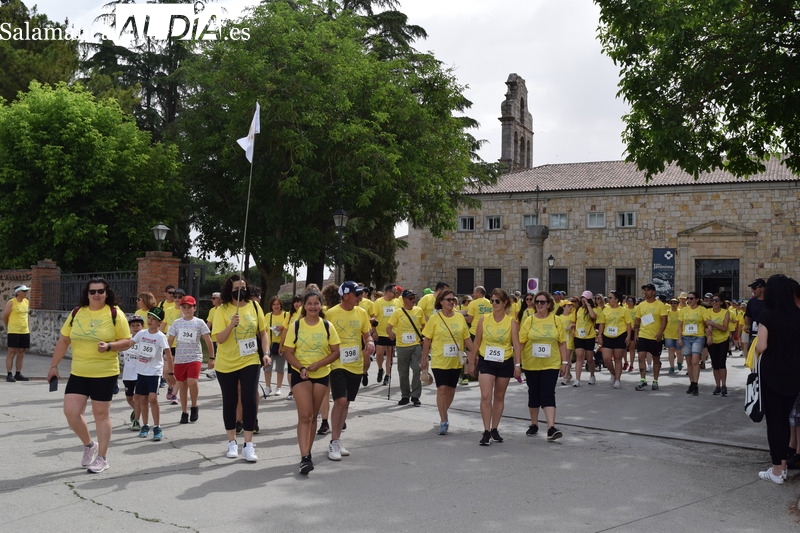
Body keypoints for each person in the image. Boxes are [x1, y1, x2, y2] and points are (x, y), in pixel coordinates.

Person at [47, 278, 132, 474]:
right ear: (87, 294)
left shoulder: (114, 313)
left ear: (106, 293)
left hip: (104, 372)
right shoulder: (77, 312)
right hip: (79, 372)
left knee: (101, 415)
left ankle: (102, 458)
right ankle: (89, 445)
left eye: (100, 291)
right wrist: (53, 365)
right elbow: (64, 339)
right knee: (71, 412)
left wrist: (110, 346)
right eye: (92, 292)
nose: (96, 295)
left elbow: (127, 341)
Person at [282, 290, 341, 474]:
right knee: (305, 415)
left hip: (321, 374)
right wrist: (301, 367)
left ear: (321, 305)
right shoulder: (296, 325)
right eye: (310, 303)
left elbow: (335, 351)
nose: (313, 307)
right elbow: (288, 352)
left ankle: (308, 452)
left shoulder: (327, 326)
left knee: (314, 415)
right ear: (304, 306)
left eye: (316, 303)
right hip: (301, 374)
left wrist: (319, 364)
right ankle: (304, 456)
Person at [212, 275, 269, 463]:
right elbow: (219, 339)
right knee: (230, 400)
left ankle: (249, 444)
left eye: (243, 287)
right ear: (229, 289)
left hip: (250, 359)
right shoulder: (221, 309)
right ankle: (231, 442)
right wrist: (231, 324)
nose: (240, 290)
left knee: (249, 398)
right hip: (226, 362)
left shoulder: (254, 306)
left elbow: (263, 332)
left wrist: (266, 352)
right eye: (236, 287)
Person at [755, 274, 800, 484]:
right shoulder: (798, 315)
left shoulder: (768, 315)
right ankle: (782, 467)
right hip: (794, 373)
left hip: (772, 373)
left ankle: (777, 469)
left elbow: (761, 346)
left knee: (775, 422)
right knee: (785, 419)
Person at [324, 281, 375, 460]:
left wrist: (369, 342)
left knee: (346, 403)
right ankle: (334, 441)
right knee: (341, 400)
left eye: (361, 294)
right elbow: (325, 337)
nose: (360, 297)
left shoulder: (361, 312)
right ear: (345, 295)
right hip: (337, 363)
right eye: (357, 294)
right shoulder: (331, 314)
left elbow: (366, 334)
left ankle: (338, 439)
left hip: (355, 363)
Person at [467, 288, 518, 445]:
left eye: (497, 301)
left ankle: (495, 428)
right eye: (492, 301)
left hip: (505, 361)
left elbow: (516, 345)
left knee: (499, 396)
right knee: (485, 395)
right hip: (486, 360)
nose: (494, 304)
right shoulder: (484, 319)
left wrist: (518, 365)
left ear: (504, 304)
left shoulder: (512, 322)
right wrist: (472, 361)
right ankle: (486, 430)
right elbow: (477, 341)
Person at [515, 291, 568, 440]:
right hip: (531, 365)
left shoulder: (556, 320)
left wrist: (564, 362)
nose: (538, 304)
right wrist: (517, 364)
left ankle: (551, 428)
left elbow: (562, 343)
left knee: (548, 392)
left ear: (549, 304)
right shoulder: (529, 320)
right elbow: (520, 343)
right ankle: (534, 424)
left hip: (551, 364)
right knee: (534, 393)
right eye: (536, 301)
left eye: (542, 302)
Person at [420, 289, 474, 435]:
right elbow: (427, 340)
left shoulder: (459, 318)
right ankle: (443, 420)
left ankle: (444, 411)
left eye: (453, 299)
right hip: (439, 360)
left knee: (451, 390)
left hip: (455, 361)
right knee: (442, 389)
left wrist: (475, 353)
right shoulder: (434, 319)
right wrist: (424, 359)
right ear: (441, 302)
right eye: (448, 300)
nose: (451, 302)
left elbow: (466, 338)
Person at [167, 295, 214, 423]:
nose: (187, 310)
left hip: (195, 357)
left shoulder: (199, 322)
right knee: (182, 385)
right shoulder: (177, 323)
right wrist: (165, 354)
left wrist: (211, 357)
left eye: (190, 307)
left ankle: (194, 405)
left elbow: (208, 340)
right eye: (184, 307)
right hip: (180, 359)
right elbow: (169, 340)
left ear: (194, 308)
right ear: (181, 308)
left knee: (192, 381)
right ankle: (184, 411)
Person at [132, 307, 172, 442]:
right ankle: (145, 425)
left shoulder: (160, 337)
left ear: (159, 322)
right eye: (149, 317)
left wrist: (170, 372)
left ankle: (157, 427)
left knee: (152, 399)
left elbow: (168, 353)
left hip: (154, 372)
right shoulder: (142, 333)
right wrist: (112, 346)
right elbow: (129, 343)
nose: (150, 321)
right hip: (141, 371)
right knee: (142, 400)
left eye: (154, 319)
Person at [387, 289, 426, 406]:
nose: (413, 301)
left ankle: (415, 396)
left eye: (414, 298)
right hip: (402, 346)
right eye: (410, 298)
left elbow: (424, 325)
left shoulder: (419, 310)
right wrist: (390, 333)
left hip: (415, 345)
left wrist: (424, 336)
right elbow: (388, 327)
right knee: (403, 373)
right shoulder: (398, 312)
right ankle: (405, 395)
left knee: (416, 369)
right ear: (404, 300)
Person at [633, 283, 668, 391]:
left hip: (655, 336)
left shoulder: (660, 305)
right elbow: (637, 320)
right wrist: (636, 333)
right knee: (640, 357)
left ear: (653, 292)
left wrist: (660, 333)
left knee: (656, 359)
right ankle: (643, 380)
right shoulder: (641, 305)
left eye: (648, 290)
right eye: (645, 290)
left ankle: (655, 381)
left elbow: (664, 320)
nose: (646, 292)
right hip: (643, 335)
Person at [597, 290, 632, 389]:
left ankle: (617, 380)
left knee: (617, 359)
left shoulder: (624, 310)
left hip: (620, 335)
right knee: (606, 359)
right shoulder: (605, 310)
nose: (608, 299)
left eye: (611, 297)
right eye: (608, 297)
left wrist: (628, 336)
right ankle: (613, 373)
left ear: (617, 300)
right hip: (607, 336)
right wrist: (599, 335)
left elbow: (629, 324)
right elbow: (602, 323)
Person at [678, 291, 706, 395]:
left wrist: (710, 330)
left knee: (695, 361)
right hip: (686, 338)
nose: (689, 300)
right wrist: (679, 338)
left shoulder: (702, 310)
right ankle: (692, 383)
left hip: (698, 337)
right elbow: (680, 325)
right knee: (689, 362)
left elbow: (706, 322)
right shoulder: (684, 310)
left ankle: (696, 384)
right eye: (688, 298)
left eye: (691, 298)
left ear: (697, 299)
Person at [121, 315, 145, 432]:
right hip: (127, 374)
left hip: (140, 373)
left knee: (137, 397)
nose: (136, 328)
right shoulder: (126, 340)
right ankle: (136, 409)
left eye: (138, 325)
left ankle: (136, 420)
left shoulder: (145, 340)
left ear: (142, 326)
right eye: (133, 326)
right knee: (129, 398)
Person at [371, 284, 398, 385]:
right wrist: (374, 331)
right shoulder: (379, 302)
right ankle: (380, 368)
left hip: (392, 332)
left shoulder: (397, 302)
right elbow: (374, 317)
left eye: (396, 292)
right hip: (381, 332)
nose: (395, 294)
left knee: (390, 355)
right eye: (394, 292)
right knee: (379, 354)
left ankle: (387, 375)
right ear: (387, 292)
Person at [704, 294, 730, 396]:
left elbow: (724, 328)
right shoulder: (708, 311)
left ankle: (724, 385)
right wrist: (710, 333)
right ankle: (717, 386)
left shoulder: (725, 312)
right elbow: (707, 325)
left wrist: (712, 324)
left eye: (717, 300)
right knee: (714, 364)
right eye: (713, 300)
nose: (714, 302)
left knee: (722, 363)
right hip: (712, 340)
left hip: (723, 340)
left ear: (721, 302)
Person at [4, 284, 30, 382]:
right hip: (14, 331)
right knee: (11, 352)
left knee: (22, 352)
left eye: (26, 291)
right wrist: (9, 327)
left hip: (24, 331)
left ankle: (18, 373)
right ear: (18, 292)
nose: (26, 292)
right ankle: (9, 374)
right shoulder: (11, 302)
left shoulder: (26, 301)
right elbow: (5, 316)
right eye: (24, 291)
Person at [263, 296, 289, 396]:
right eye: (274, 304)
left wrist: (282, 328)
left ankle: (278, 387)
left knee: (280, 368)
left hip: (281, 346)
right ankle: (268, 386)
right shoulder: (268, 316)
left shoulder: (286, 315)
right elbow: (264, 330)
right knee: (267, 367)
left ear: (281, 305)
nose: (276, 306)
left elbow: (288, 327)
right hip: (270, 345)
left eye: (278, 304)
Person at [573, 290, 598, 387]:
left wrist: (588, 304)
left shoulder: (593, 309)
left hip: (589, 336)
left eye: (585, 298)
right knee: (579, 356)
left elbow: (593, 316)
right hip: (579, 336)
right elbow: (576, 321)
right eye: (582, 298)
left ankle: (592, 375)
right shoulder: (578, 310)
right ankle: (577, 379)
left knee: (589, 358)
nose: (583, 300)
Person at [744, 278, 766, 357]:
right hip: (754, 334)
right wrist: (747, 325)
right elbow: (748, 315)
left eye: (754, 288)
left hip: (767, 334)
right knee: (753, 358)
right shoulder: (751, 302)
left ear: (762, 288)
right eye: (752, 288)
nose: (753, 290)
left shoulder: (770, 302)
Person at [205, 292, 221, 379]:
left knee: (219, 355)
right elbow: (209, 323)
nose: (212, 300)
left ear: (219, 299)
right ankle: (216, 371)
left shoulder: (223, 309)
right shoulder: (212, 310)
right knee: (215, 355)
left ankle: (216, 372)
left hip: (221, 337)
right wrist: (205, 333)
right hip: (214, 337)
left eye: (214, 298)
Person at [664, 297, 682, 374]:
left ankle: (679, 362)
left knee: (678, 351)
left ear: (678, 304)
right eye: (671, 303)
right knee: (671, 350)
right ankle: (671, 367)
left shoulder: (681, 312)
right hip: (669, 334)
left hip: (678, 334)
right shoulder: (667, 312)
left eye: (675, 303)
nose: (673, 304)